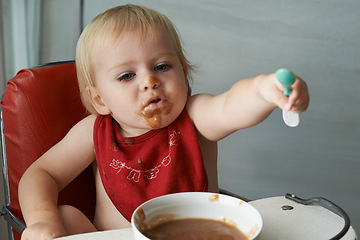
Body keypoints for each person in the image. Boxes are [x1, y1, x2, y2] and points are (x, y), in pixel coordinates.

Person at [18, 4, 309, 240]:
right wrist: (42, 218)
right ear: (100, 100)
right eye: (127, 76)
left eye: (162, 66)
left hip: (196, 236)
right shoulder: (93, 132)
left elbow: (231, 106)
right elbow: (42, 173)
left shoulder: (196, 117)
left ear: (184, 75)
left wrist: (263, 90)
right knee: (66, 215)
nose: (150, 81)